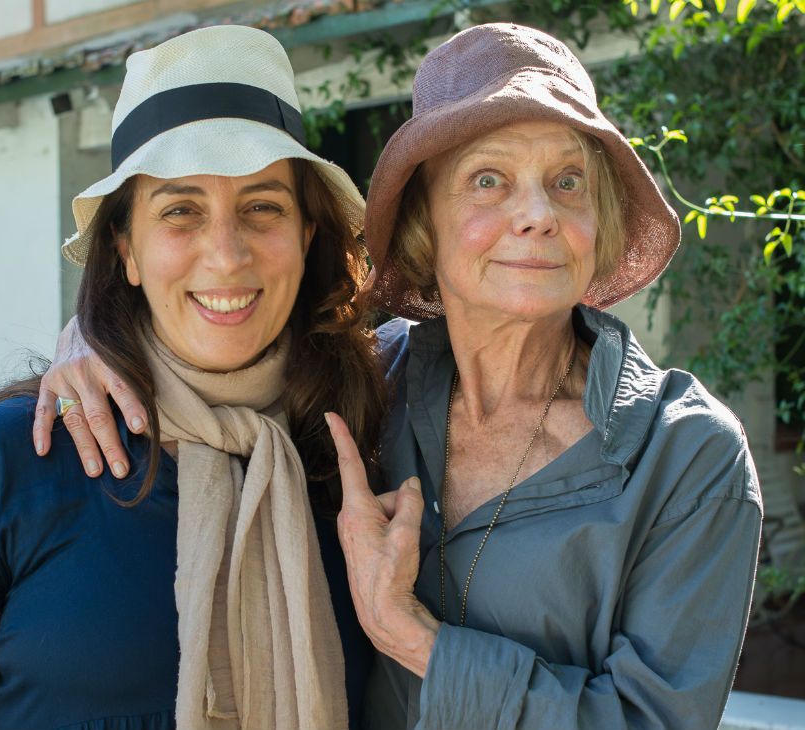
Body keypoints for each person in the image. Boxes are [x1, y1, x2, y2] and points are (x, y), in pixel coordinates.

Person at [37, 22, 763, 730]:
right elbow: (209, 349)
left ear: (598, 219)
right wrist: (95, 345)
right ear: (422, 223)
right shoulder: (360, 382)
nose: (538, 214)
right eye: (489, 180)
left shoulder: (685, 457)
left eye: (568, 181)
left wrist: (412, 636)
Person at [0, 25, 383, 730]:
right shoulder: (9, 460)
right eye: (181, 210)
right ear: (127, 249)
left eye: (263, 206)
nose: (226, 253)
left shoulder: (365, 445)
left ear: (305, 235)